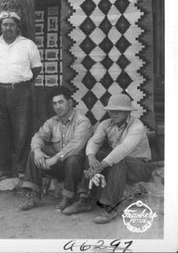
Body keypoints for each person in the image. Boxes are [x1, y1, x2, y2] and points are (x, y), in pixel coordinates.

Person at [62, 94, 153, 224]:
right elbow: (94, 141)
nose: (113, 114)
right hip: (119, 162)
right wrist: (92, 157)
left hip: (140, 166)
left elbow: (124, 149)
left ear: (127, 112)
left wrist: (102, 165)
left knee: (118, 160)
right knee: (95, 155)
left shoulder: (137, 125)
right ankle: (85, 199)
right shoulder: (105, 124)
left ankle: (110, 206)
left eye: (118, 111)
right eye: (111, 110)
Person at [0, 0, 42, 181]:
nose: (8, 28)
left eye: (11, 24)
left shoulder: (28, 45)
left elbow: (36, 69)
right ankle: (2, 168)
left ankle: (23, 168)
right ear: (0, 26)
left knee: (23, 130)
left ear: (17, 26)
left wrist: (19, 83)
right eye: (4, 24)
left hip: (22, 92)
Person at [19, 86, 92, 212]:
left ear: (70, 103)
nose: (57, 107)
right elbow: (38, 136)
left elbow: (76, 145)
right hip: (59, 166)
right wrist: (37, 151)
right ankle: (35, 195)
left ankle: (67, 198)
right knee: (34, 153)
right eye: (54, 103)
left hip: (78, 170)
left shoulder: (82, 121)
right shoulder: (51, 122)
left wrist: (54, 159)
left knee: (73, 158)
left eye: (61, 102)